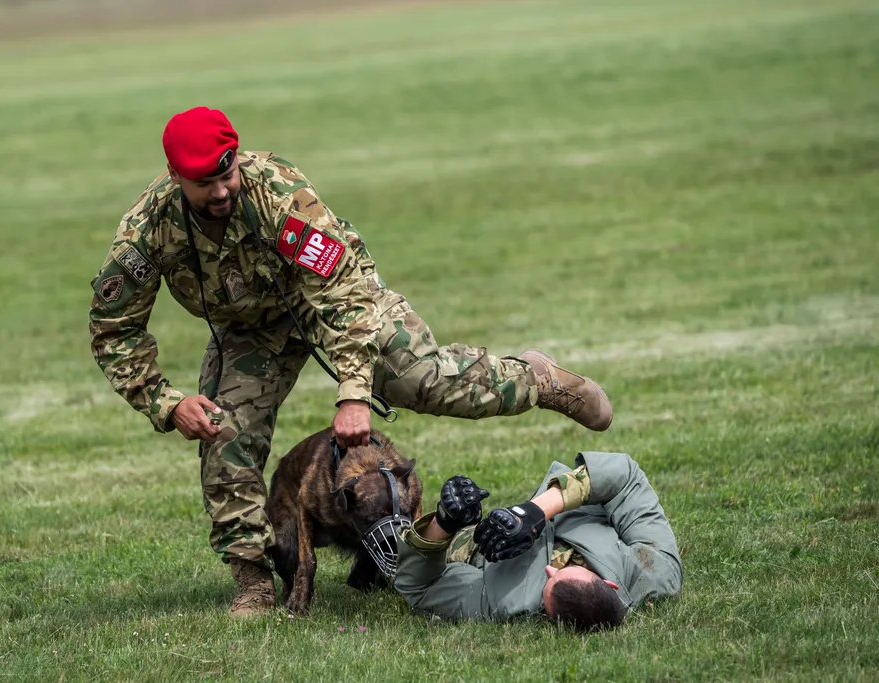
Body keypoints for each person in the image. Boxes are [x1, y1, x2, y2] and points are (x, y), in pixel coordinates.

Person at [88, 106, 614, 617]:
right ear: (178, 177)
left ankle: (537, 381)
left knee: (423, 380)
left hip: (331, 301)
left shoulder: (277, 191)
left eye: (226, 171)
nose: (222, 189)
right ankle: (253, 581)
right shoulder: (147, 229)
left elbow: (342, 295)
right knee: (224, 434)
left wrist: (354, 395)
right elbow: (113, 330)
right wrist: (167, 402)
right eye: (205, 181)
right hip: (250, 331)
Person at [394, 452, 681, 629]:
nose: (550, 568)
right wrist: (533, 512)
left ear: (550, 617)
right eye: (569, 570)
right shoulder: (654, 573)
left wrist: (444, 523)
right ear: (610, 584)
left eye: (549, 583)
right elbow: (626, 475)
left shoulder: (504, 603)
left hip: (470, 545)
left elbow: (420, 586)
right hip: (553, 505)